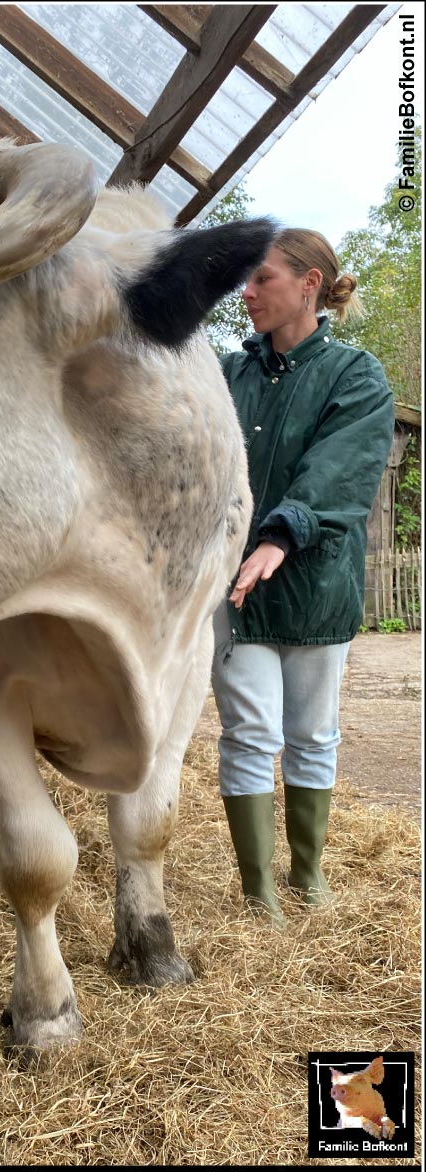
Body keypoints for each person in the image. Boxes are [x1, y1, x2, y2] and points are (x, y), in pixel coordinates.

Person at [211, 227, 395, 928]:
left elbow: (341, 469)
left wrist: (282, 535)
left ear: (309, 283)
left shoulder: (356, 375)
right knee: (250, 731)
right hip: (235, 588)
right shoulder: (228, 373)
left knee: (314, 732)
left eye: (262, 280)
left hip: (316, 585)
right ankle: (260, 893)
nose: (247, 293)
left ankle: (308, 874)